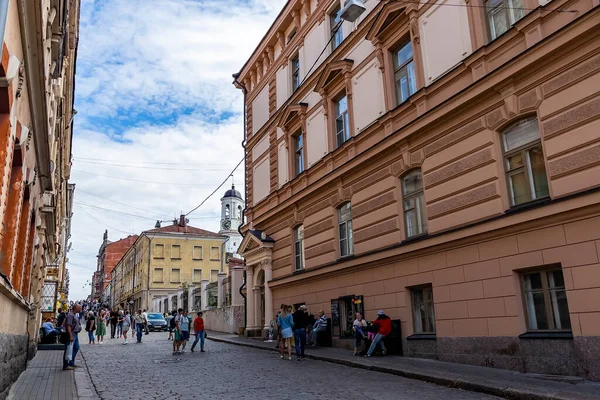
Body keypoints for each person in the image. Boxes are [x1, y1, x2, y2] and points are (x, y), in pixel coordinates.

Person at [63, 303, 82, 370]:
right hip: (72, 334)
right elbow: (68, 325)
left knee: (76, 347)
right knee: (68, 349)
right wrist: (70, 335)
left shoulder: (74, 315)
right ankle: (66, 365)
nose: (81, 309)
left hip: (75, 334)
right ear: (75, 308)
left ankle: (71, 362)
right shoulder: (70, 315)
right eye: (79, 308)